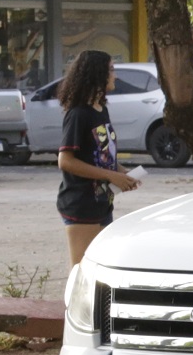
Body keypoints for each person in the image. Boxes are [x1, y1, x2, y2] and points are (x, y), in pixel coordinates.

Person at [55, 50, 139, 266]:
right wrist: (111, 176)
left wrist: (122, 173)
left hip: (102, 203)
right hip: (82, 204)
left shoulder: (101, 110)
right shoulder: (78, 114)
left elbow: (101, 156)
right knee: (82, 270)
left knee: (99, 269)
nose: (115, 76)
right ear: (96, 73)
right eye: (111, 70)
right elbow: (65, 161)